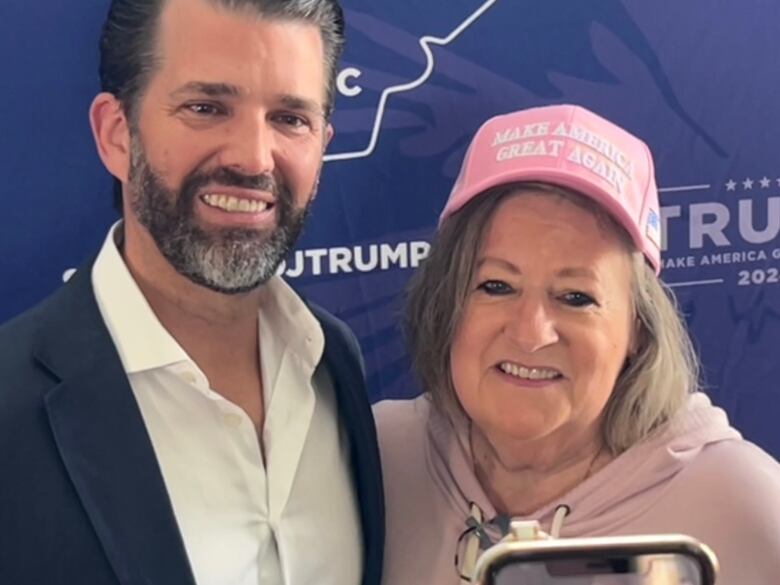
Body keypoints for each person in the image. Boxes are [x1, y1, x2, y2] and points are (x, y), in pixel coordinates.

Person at [0, 0, 384, 584]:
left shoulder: (334, 363)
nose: (253, 158)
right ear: (116, 135)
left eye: (290, 118)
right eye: (206, 108)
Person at [374, 104, 780, 585]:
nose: (531, 332)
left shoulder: (739, 500)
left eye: (575, 297)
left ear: (637, 331)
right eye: (497, 286)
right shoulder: (377, 457)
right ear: (446, 304)